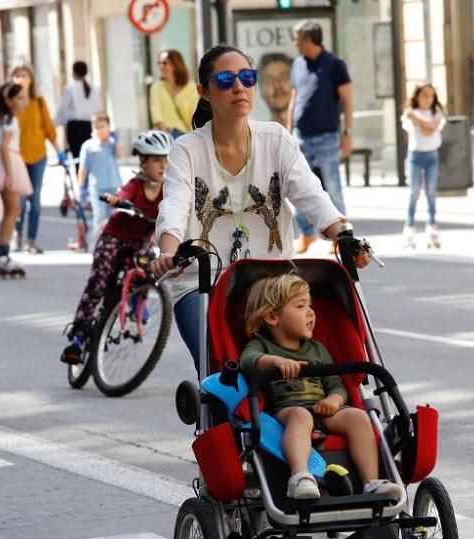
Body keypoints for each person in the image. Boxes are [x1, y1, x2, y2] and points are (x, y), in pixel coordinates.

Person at [150, 45, 369, 367]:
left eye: (247, 77)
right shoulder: (187, 149)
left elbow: (312, 194)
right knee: (220, 370)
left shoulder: (275, 139)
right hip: (201, 281)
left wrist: (343, 234)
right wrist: (168, 252)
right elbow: (175, 205)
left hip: (269, 280)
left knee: (311, 363)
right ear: (204, 91)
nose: (239, 87)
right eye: (225, 80)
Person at [239, 273, 404, 500]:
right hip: (285, 411)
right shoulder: (261, 346)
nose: (311, 312)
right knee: (301, 416)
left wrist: (333, 400)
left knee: (357, 417)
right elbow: (248, 361)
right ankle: (300, 477)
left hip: (323, 409)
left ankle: (371, 482)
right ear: (272, 316)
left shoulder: (317, 350)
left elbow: (336, 384)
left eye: (310, 305)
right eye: (300, 306)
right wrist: (276, 362)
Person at [61, 129, 171, 364]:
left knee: (149, 266)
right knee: (98, 282)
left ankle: (136, 298)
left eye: (166, 159)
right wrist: (117, 199)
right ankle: (77, 338)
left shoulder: (167, 190)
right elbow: (123, 194)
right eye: (156, 160)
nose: (163, 165)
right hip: (114, 238)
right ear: (142, 161)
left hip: (140, 243)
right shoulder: (135, 185)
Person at [287, 20, 353, 254]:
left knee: (332, 189)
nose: (295, 44)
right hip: (301, 137)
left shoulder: (335, 64)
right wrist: (289, 131)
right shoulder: (297, 64)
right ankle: (306, 234)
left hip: (327, 138)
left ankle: (342, 238)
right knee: (296, 188)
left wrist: (348, 133)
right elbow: (294, 99)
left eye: (297, 39)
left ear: (307, 39)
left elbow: (347, 99)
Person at [0, 82, 33, 277]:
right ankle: (1, 254)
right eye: (20, 98)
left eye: (25, 97)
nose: (25, 102)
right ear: (8, 101)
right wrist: (10, 174)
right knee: (13, 210)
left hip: (2, 161)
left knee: (10, 210)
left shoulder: (1, 119)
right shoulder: (10, 120)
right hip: (7, 162)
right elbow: (5, 147)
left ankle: (0, 253)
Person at [10, 65, 58, 253]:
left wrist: (59, 151)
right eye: (17, 76)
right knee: (20, 202)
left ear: (31, 79)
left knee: (35, 201)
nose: (21, 79)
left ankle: (31, 240)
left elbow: (48, 128)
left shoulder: (38, 102)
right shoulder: (10, 103)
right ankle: (16, 236)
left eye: (24, 75)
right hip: (17, 157)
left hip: (38, 156)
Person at [402, 83, 446, 250]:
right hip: (415, 156)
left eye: (431, 96)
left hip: (432, 156)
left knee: (431, 193)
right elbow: (425, 127)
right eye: (425, 95)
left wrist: (416, 119)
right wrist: (417, 119)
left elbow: (431, 129)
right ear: (417, 97)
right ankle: (409, 230)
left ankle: (432, 230)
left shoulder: (437, 113)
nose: (428, 99)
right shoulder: (409, 114)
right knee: (414, 193)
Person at [77, 112, 121, 247]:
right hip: (97, 189)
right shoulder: (88, 146)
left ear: (109, 127)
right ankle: (97, 245)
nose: (100, 130)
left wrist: (117, 141)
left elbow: (121, 155)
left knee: (115, 218)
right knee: (100, 217)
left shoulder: (112, 143)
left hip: (114, 186)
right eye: (97, 127)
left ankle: (114, 245)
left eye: (103, 126)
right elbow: (83, 169)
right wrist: (80, 187)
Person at [54, 61, 103, 163]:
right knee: (90, 160)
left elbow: (62, 110)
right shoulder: (95, 88)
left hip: (75, 128)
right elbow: (98, 109)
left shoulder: (70, 88)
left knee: (78, 160)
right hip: (91, 126)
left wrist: (54, 123)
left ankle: (81, 178)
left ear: (73, 72)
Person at [149, 49, 199, 137]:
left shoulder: (191, 88)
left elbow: (195, 116)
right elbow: (157, 117)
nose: (161, 66)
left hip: (185, 136)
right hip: (164, 136)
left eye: (165, 63)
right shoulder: (156, 88)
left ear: (176, 64)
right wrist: (167, 138)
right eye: (159, 63)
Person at [258, 52, 293, 125]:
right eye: (269, 81)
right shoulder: (257, 134)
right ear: (261, 90)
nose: (277, 85)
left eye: (284, 78)